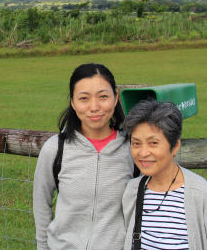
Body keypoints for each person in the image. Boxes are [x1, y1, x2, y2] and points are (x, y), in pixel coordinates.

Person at [33, 63, 137, 250]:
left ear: (115, 98)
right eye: (84, 98)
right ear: (73, 103)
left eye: (103, 97)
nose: (94, 107)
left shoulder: (132, 149)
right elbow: (41, 205)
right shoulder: (55, 149)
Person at [122, 100, 207, 250]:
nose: (143, 153)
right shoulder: (132, 192)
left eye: (153, 143)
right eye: (136, 143)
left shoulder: (205, 197)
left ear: (175, 146)